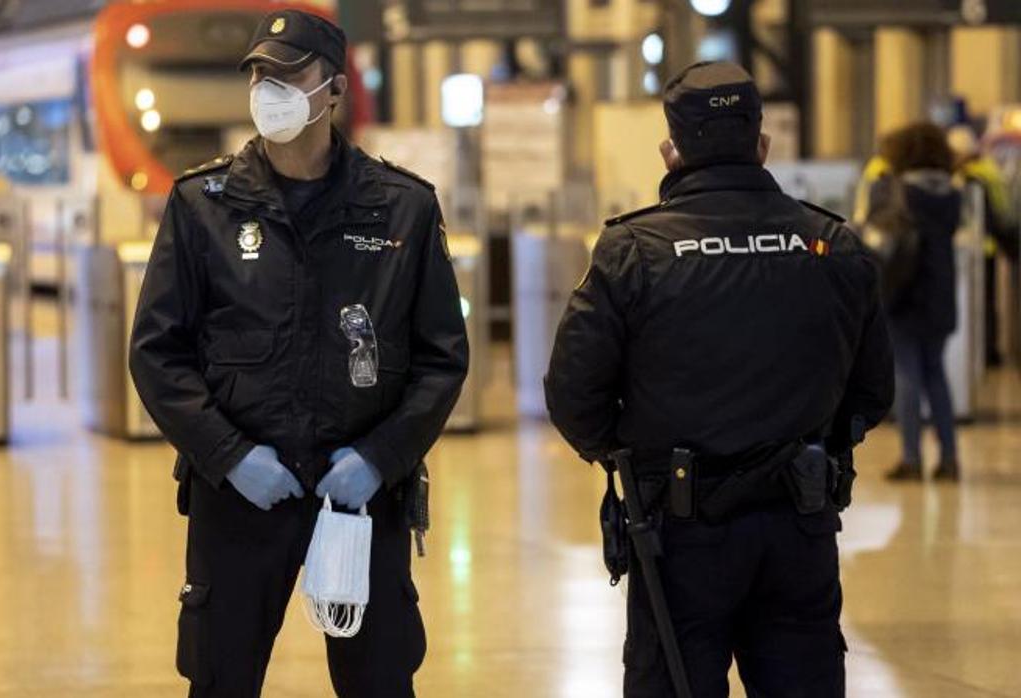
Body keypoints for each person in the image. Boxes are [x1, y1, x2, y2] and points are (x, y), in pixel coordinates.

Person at [127, 9, 469, 698]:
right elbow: (157, 352)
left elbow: (442, 359)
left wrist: (382, 458)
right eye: (259, 73)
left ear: (334, 91)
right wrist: (228, 456)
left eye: (286, 75)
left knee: (379, 681)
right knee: (221, 677)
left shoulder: (402, 209)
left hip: (361, 504)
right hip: (242, 502)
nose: (266, 89)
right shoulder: (204, 205)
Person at [544, 61, 894, 697]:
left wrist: (628, 457)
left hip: (680, 535)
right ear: (763, 144)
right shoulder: (832, 244)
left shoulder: (634, 250)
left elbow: (573, 394)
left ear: (670, 150)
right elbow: (874, 393)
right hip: (800, 525)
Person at [871, 123, 963, 482]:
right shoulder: (952, 194)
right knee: (936, 373)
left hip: (905, 292)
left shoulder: (899, 192)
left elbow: (880, 233)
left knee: (907, 375)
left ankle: (911, 457)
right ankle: (950, 457)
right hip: (941, 293)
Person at [949, 124, 1018, 368]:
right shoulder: (987, 168)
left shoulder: (972, 176)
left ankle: (988, 353)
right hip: (991, 245)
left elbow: (979, 217)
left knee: (982, 306)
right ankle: (991, 351)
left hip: (982, 247)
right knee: (988, 303)